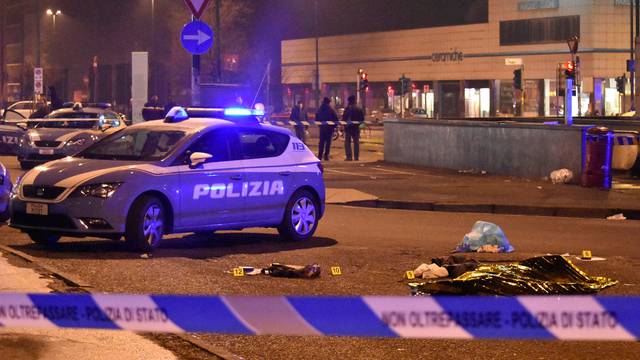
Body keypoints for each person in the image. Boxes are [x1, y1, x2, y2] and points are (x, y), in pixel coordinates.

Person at [342, 95, 364, 161]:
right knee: (356, 142)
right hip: (356, 128)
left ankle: (349, 157)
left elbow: (344, 118)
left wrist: (344, 125)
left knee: (347, 142)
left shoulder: (347, 109)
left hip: (348, 128)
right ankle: (356, 157)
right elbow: (362, 119)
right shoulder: (358, 109)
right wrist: (358, 125)